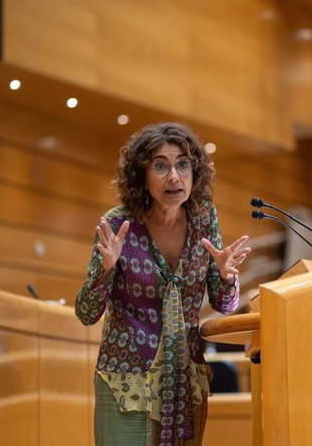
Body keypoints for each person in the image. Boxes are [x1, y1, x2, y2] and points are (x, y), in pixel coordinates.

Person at [75, 122, 251, 446]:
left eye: (183, 164)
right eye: (160, 165)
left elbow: (225, 304)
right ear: (141, 175)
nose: (174, 176)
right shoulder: (118, 224)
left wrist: (227, 276)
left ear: (195, 171)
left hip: (183, 379)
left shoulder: (203, 219)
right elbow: (86, 313)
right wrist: (105, 271)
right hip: (126, 378)